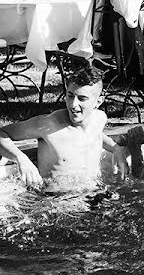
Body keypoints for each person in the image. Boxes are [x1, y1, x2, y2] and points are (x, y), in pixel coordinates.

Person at [0, 66, 129, 189]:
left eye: (82, 98)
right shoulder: (48, 125)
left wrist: (115, 148)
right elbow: (2, 133)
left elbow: (95, 135)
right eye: (70, 96)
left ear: (98, 102)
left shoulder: (99, 119)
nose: (73, 104)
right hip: (57, 202)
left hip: (95, 193)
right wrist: (21, 159)